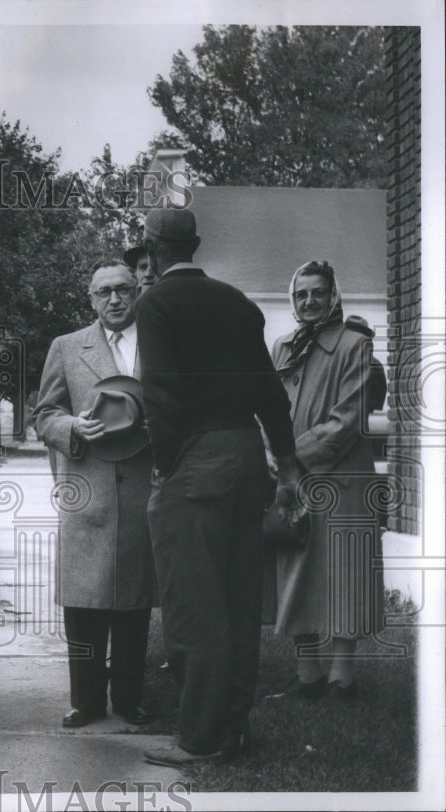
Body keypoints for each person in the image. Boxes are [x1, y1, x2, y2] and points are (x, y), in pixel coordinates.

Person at [135, 208, 299, 766]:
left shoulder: (154, 304)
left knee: (192, 604)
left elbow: (160, 395)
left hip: (194, 462)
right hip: (247, 456)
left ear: (151, 248)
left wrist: (162, 464)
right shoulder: (239, 304)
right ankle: (234, 727)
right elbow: (270, 394)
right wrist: (290, 465)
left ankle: (200, 741)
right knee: (237, 599)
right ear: (197, 245)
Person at [34, 260, 159, 729]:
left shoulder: (159, 344)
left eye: (123, 290)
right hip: (87, 490)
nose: (114, 299)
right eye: (103, 292)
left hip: (143, 487)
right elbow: (44, 414)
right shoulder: (66, 347)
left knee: (133, 601)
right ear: (90, 298)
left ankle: (129, 699)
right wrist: (72, 426)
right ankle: (85, 701)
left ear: (136, 293)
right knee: (84, 601)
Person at [271, 261, 384, 700]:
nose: (309, 301)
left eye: (318, 292)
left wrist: (289, 455)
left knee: (344, 575)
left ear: (333, 294)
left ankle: (342, 677)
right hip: (292, 480)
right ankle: (307, 675)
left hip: (343, 480)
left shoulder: (356, 346)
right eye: (301, 294)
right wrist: (275, 456)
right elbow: (269, 407)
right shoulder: (283, 347)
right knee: (295, 568)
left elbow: (349, 418)